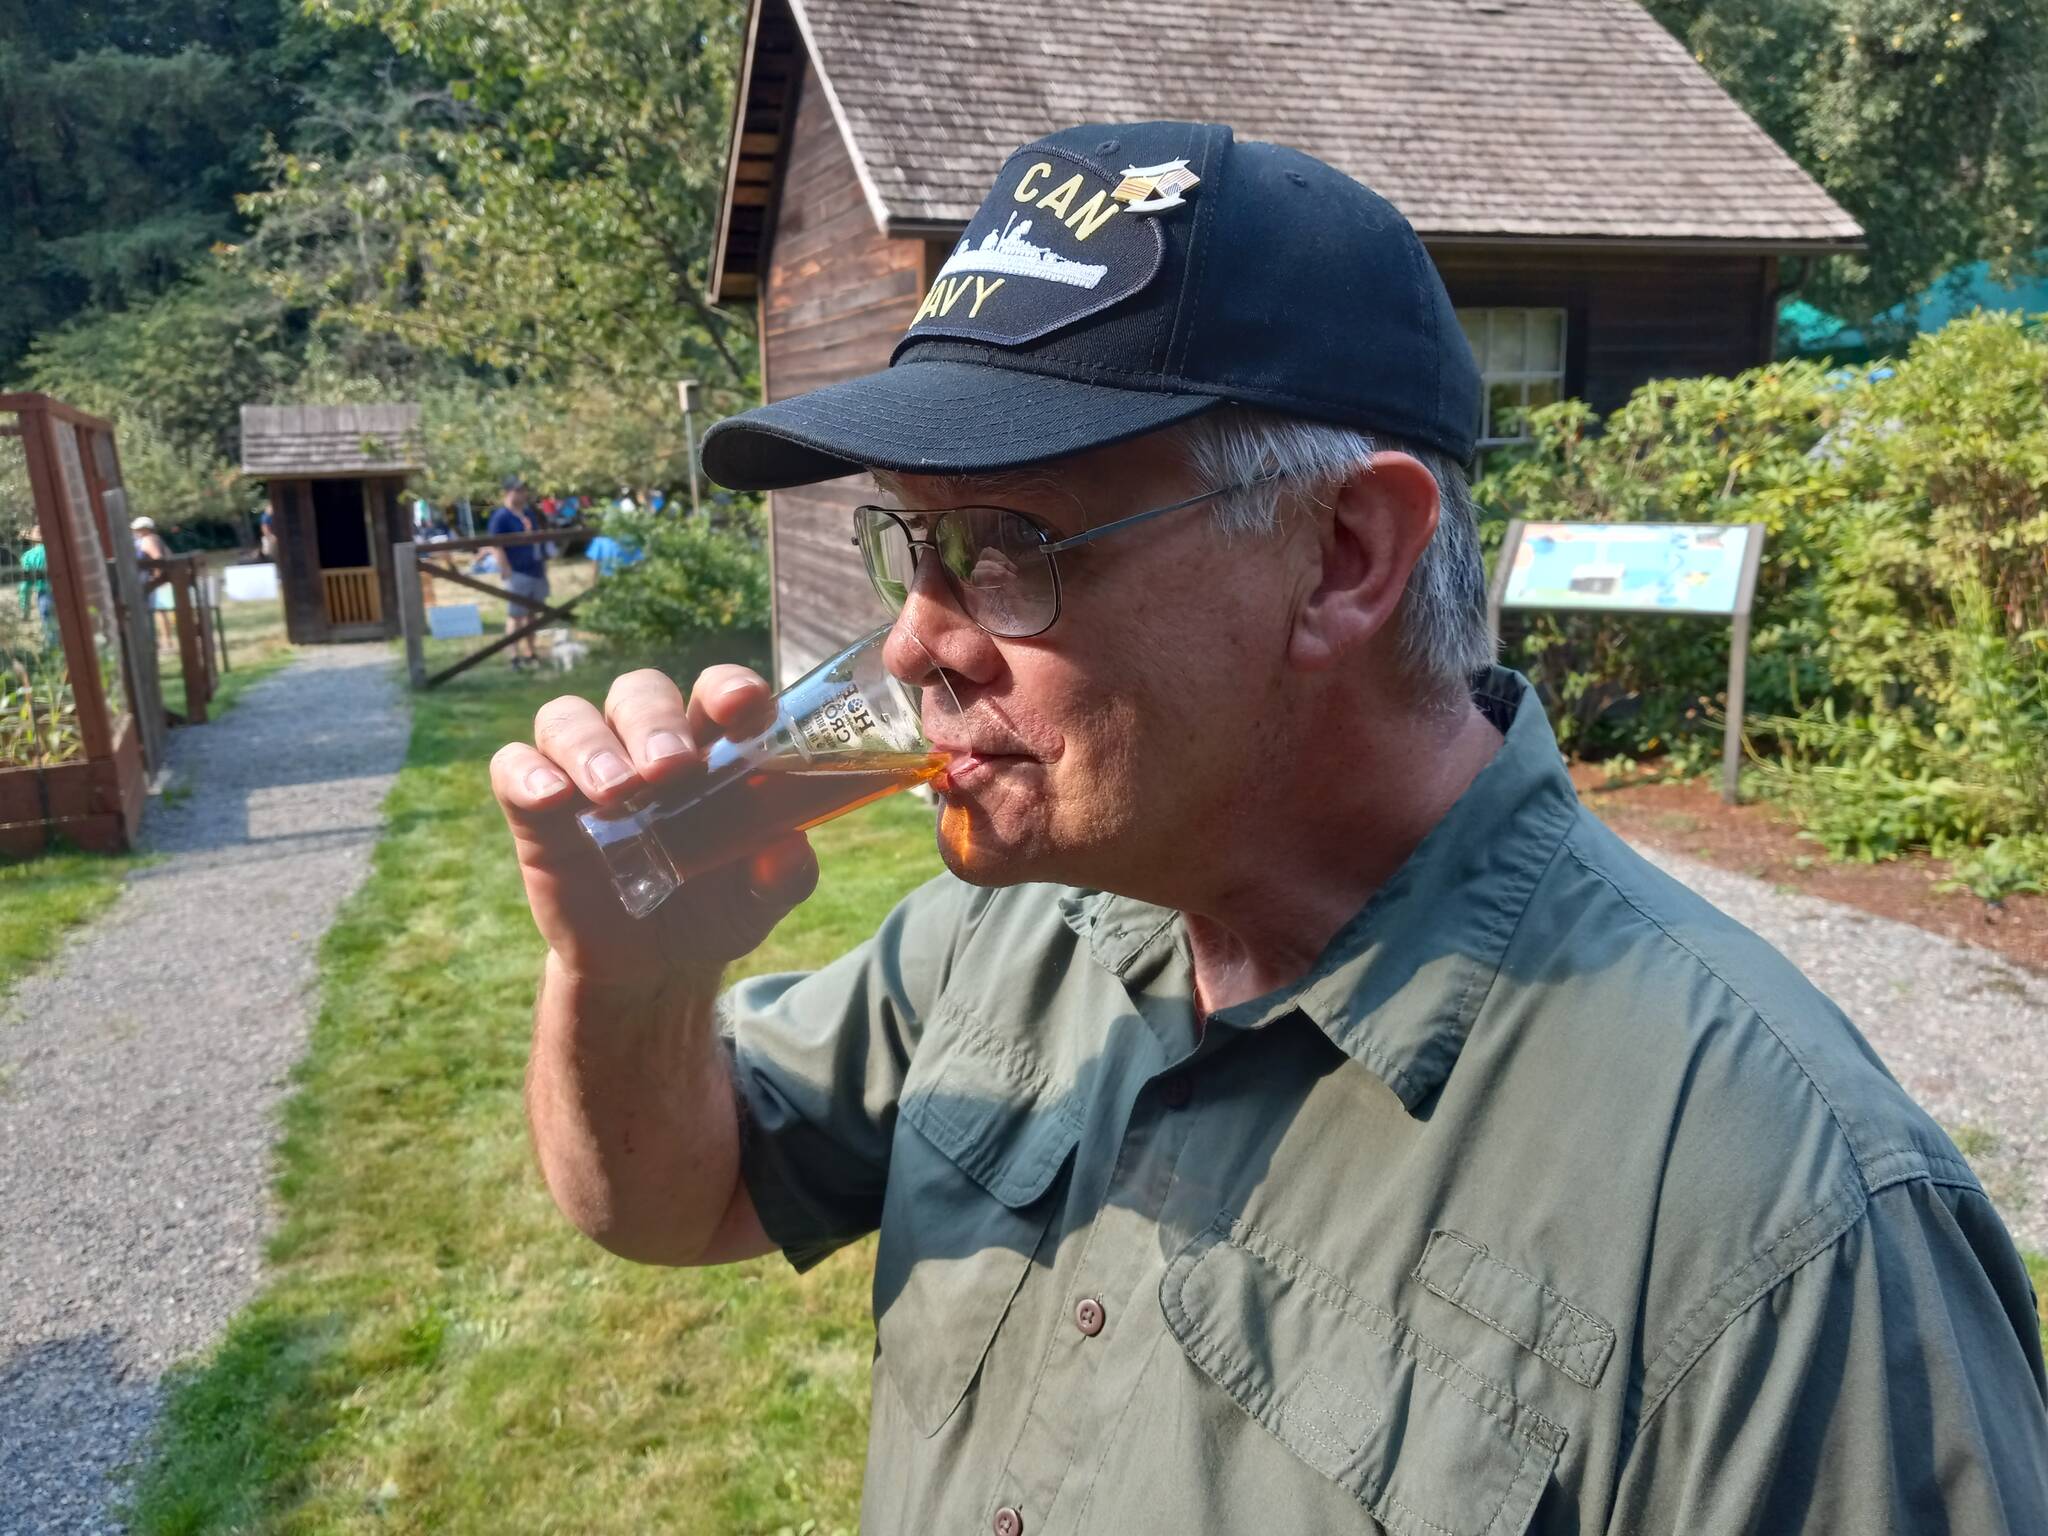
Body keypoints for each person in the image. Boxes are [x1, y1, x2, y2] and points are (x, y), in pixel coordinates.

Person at [494, 122, 2048, 1533]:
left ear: (1347, 557)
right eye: (912, 541)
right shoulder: (1010, 924)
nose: (914, 645)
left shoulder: (1782, 1226)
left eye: (1010, 548)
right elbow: (674, 1196)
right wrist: (627, 984)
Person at [485, 475, 548, 671]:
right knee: (515, 616)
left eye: (523, 490)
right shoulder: (501, 516)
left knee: (532, 615)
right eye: (518, 490)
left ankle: (531, 652)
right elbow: (496, 545)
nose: (522, 493)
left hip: (535, 569)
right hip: (517, 572)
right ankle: (514, 656)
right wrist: (505, 569)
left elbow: (537, 538)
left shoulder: (529, 514)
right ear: (508, 492)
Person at [131, 515, 174, 647]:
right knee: (158, 612)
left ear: (146, 529)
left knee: (155, 611)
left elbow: (158, 558)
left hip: (149, 580)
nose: (135, 532)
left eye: (138, 529)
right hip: (151, 580)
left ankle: (161, 641)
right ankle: (163, 641)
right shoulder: (156, 539)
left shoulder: (148, 540)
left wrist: (157, 577)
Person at [18, 524, 55, 645]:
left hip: (45, 596)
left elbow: (25, 585)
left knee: (50, 633)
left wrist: (25, 607)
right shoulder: (57, 550)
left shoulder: (28, 556)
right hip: (65, 594)